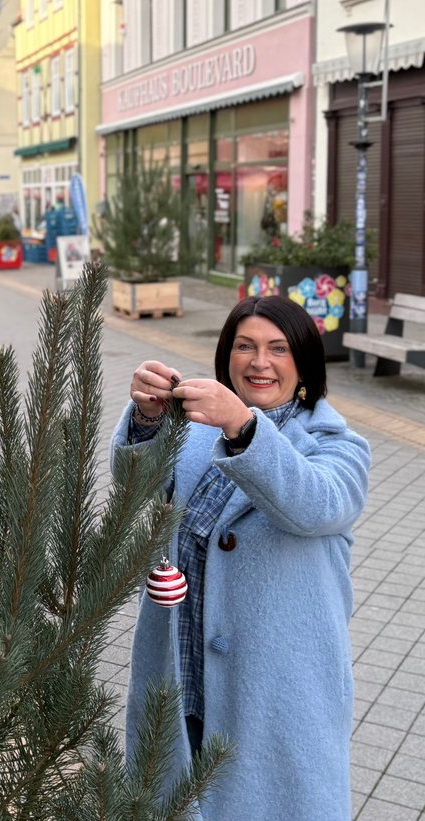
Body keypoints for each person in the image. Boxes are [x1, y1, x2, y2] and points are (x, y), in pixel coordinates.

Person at [113, 295, 369, 820]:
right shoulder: (194, 431)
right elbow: (134, 488)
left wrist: (244, 427)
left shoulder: (337, 446)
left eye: (279, 348)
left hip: (274, 692)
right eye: (245, 346)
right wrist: (146, 418)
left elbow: (313, 504)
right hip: (180, 670)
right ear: (226, 355)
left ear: (304, 364)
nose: (259, 362)